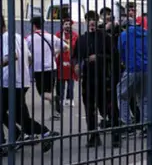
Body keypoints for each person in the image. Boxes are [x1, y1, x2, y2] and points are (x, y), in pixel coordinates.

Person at [0, 16, 59, 155]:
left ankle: (11, 140)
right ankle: (42, 133)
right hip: (22, 80)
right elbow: (30, 58)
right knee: (20, 115)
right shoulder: (19, 37)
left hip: (10, 82)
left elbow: (12, 55)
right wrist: (24, 70)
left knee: (5, 112)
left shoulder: (5, 37)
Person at [73, 11, 122, 148]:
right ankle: (94, 136)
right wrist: (76, 65)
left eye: (94, 19)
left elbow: (114, 57)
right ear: (86, 22)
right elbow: (75, 56)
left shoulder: (105, 37)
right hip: (88, 79)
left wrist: (99, 57)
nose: (92, 22)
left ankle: (116, 134)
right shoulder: (81, 39)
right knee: (89, 108)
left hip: (104, 78)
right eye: (89, 19)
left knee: (109, 108)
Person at [26, 16, 69, 119]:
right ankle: (56, 113)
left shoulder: (30, 38)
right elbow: (66, 47)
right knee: (49, 91)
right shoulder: (52, 36)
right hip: (52, 68)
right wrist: (56, 52)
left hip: (39, 69)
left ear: (33, 26)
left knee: (43, 94)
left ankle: (56, 99)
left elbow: (26, 52)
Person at [55, 17, 78, 107]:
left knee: (70, 82)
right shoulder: (57, 35)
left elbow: (76, 46)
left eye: (69, 24)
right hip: (60, 61)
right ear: (62, 25)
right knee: (60, 82)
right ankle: (60, 99)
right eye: (66, 24)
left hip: (71, 60)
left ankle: (70, 98)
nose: (68, 26)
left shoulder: (75, 35)